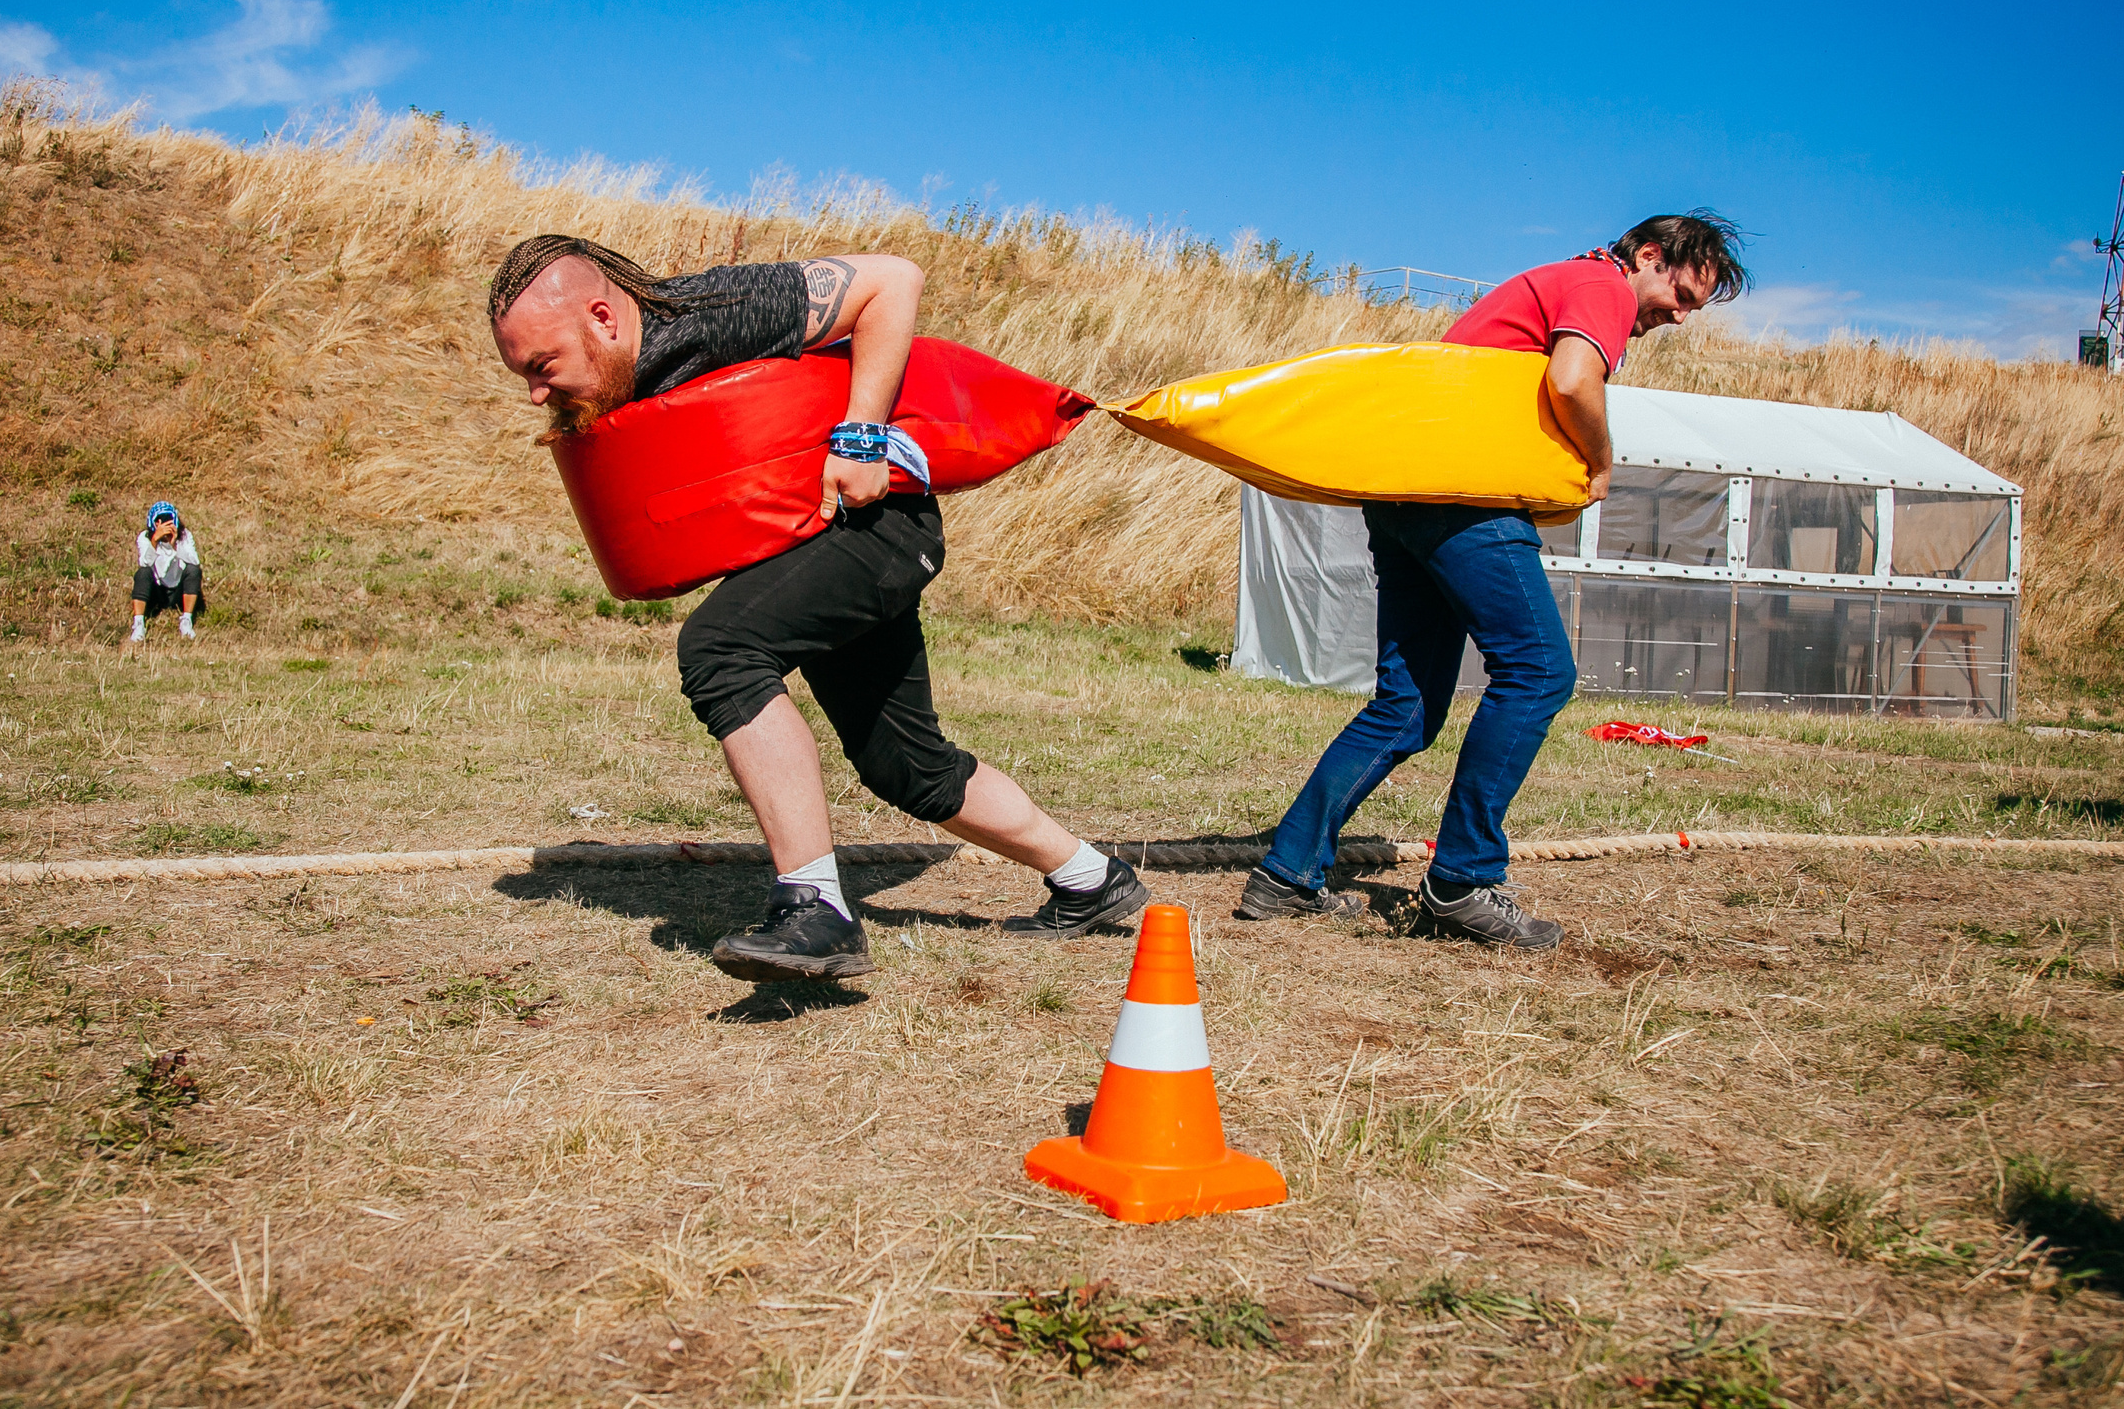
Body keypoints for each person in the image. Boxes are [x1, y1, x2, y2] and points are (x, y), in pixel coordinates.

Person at [488, 235, 1149, 982]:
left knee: (720, 649)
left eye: (542, 368)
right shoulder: (611, 379)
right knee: (908, 769)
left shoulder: (711, 312)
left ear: (604, 319)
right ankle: (1090, 877)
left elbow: (893, 282)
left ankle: (815, 910)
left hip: (877, 526)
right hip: (811, 548)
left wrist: (861, 436)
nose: (537, 395)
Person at [1238, 213, 1750, 944]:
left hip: (1407, 491)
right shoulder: (1601, 284)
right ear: (1648, 256)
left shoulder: (1559, 281)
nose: (1680, 315)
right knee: (1539, 671)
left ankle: (1288, 871)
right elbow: (1572, 380)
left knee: (1408, 705)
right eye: (1684, 295)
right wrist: (1600, 463)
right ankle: (1462, 881)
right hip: (1463, 498)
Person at [127, 502, 203, 643]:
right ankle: (138, 624)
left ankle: (186, 620)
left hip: (178, 590)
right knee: (142, 573)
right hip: (156, 590)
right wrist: (155, 540)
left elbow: (194, 561)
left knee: (193, 571)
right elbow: (145, 562)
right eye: (160, 522)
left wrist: (174, 544)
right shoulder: (144, 537)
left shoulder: (185, 536)